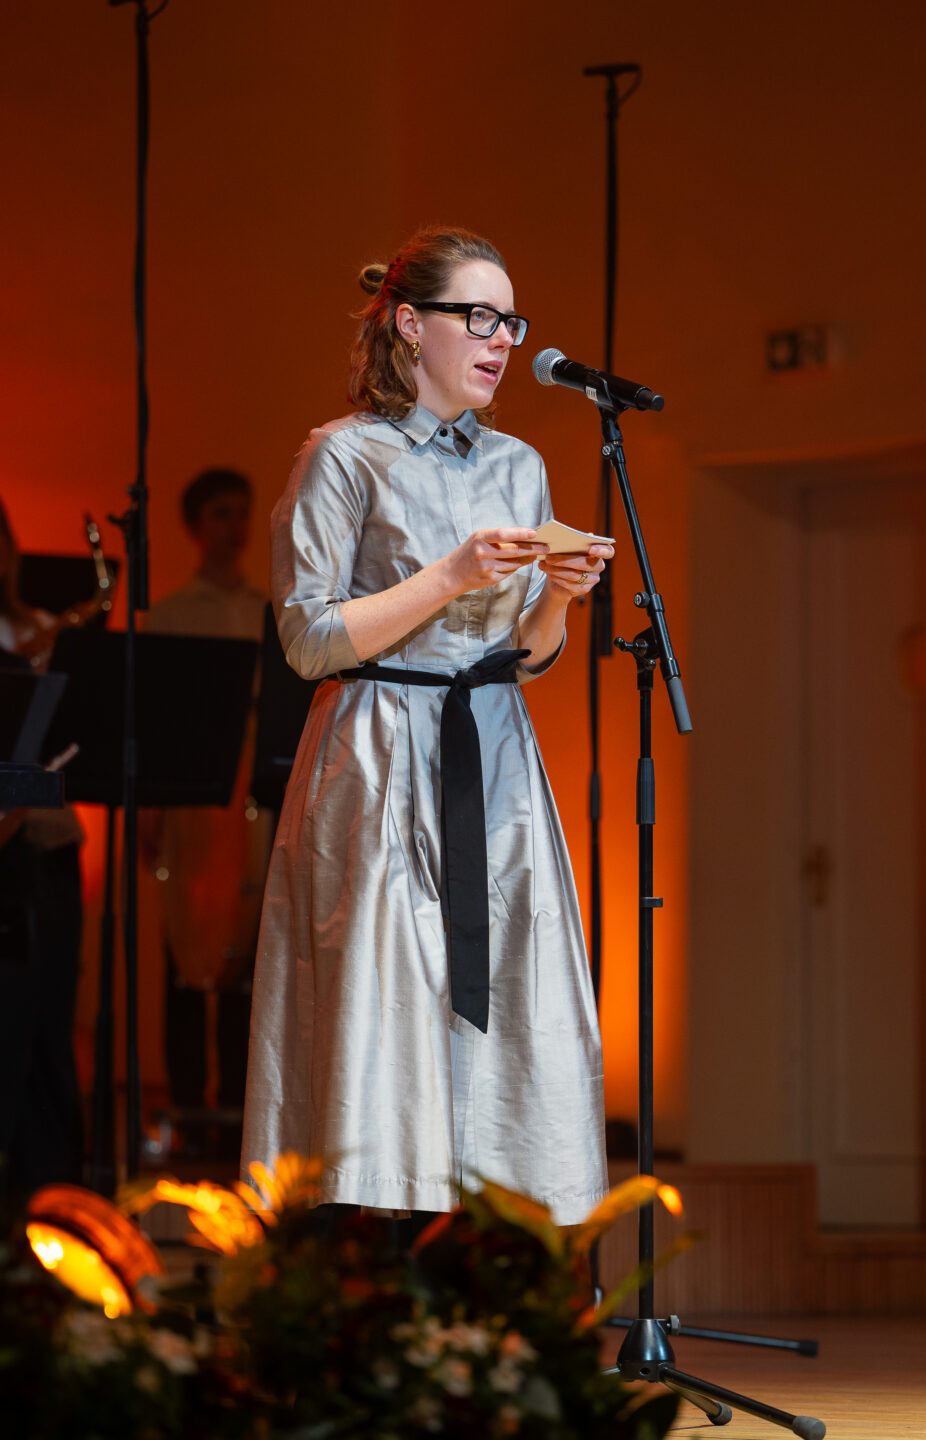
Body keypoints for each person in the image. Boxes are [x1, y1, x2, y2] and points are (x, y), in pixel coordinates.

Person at [241, 228, 613, 1223]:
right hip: (377, 748)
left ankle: (494, 1234)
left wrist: (558, 597)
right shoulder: (342, 454)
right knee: (383, 999)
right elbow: (308, 640)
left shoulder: (520, 465)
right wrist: (449, 574)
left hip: (492, 750)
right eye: (479, 317)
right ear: (411, 324)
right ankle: (369, 1245)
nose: (501, 341)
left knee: (506, 988)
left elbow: (525, 657)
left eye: (511, 323)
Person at [142, 470, 272, 1159]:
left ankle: (240, 1120)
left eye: (241, 513)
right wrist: (152, 814)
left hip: (251, 801)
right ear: (195, 526)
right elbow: (158, 726)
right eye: (222, 514)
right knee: (186, 955)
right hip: (192, 802)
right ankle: (189, 1116)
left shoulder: (267, 611)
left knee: (248, 957)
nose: (235, 527)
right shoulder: (169, 615)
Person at [0, 497, 84, 1202]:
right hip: (7, 848)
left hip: (46, 845)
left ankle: (51, 1193)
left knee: (49, 1022)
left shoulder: (37, 627)